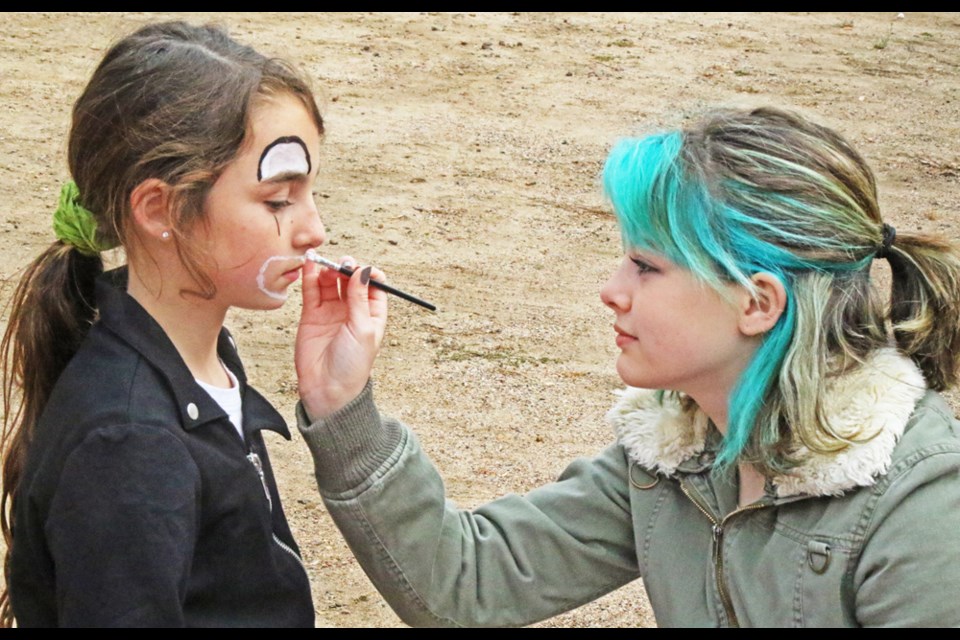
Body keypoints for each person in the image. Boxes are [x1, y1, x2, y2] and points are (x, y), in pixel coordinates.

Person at [292, 106, 960, 627]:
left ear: (756, 303)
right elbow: (466, 581)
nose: (613, 290)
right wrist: (341, 404)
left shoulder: (921, 508)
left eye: (646, 265)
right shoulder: (679, 452)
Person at [0, 20, 353, 627]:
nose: (313, 230)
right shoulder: (129, 444)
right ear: (160, 208)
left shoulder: (200, 356)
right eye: (277, 200)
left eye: (310, 193)